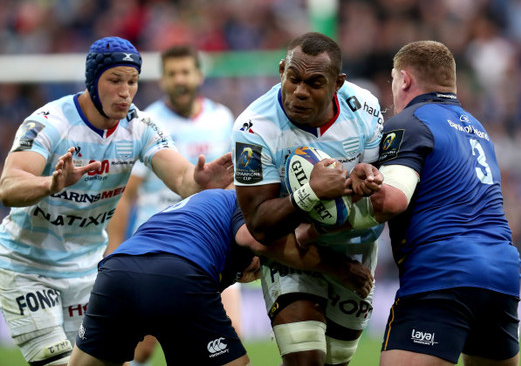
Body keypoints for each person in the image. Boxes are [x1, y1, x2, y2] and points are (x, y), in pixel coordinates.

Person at [0, 36, 233, 366]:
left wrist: (201, 182)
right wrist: (50, 184)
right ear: (93, 81)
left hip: (87, 270)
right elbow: (9, 185)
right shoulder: (50, 122)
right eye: (114, 80)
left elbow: (182, 179)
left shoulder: (140, 127)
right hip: (27, 267)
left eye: (132, 81)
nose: (125, 91)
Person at [352, 40, 521, 366]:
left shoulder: (411, 123)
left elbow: (392, 201)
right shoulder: (477, 129)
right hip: (501, 272)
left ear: (403, 79)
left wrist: (347, 187)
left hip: (443, 272)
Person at [67, 188, 373, 366]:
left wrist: (237, 270)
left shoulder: (197, 206)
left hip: (117, 272)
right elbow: (256, 240)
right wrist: (340, 268)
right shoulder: (250, 202)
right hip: (178, 275)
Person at [231, 32, 385, 366]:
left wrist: (366, 176)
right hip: (293, 252)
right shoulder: (252, 129)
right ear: (283, 70)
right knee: (306, 358)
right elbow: (257, 223)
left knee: (338, 357)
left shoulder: (365, 109)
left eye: (315, 83)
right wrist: (310, 193)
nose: (300, 92)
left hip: (355, 248)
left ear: (338, 84)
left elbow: (380, 192)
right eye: (293, 78)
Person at [105, 44, 238, 366]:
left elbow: (233, 185)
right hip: (157, 246)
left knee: (230, 343)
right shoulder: (146, 122)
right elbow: (127, 193)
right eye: (172, 73)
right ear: (162, 80)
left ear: (198, 75)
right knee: (140, 347)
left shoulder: (222, 119)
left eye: (185, 72)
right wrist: (113, 247)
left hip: (212, 246)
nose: (180, 80)